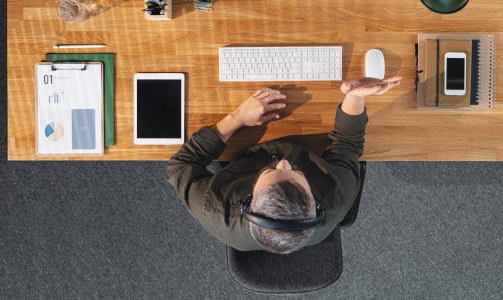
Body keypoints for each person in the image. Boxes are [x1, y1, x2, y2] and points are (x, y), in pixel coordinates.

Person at [167, 76, 401, 253]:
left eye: (270, 172)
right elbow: (347, 144)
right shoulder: (336, 197)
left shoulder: (214, 209)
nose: (284, 163)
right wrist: (355, 96)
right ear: (317, 206)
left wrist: (237, 118)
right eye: (297, 173)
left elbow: (181, 165)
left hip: (243, 149)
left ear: (247, 201)